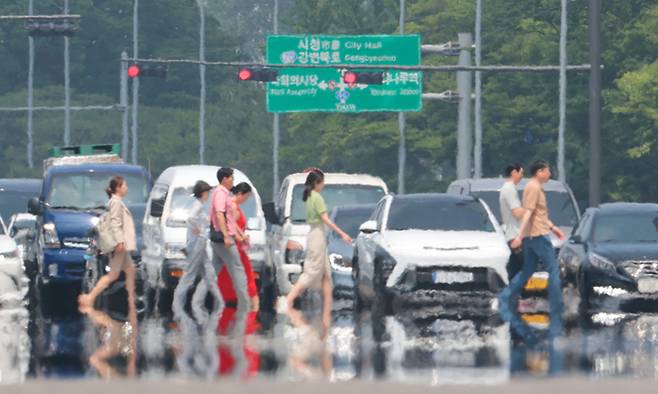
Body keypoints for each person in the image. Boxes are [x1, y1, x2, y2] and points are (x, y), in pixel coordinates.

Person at [500, 160, 565, 336]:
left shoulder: (531, 187)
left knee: (527, 270)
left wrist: (553, 227)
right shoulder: (534, 188)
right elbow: (528, 213)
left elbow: (537, 213)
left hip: (533, 235)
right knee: (553, 269)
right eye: (548, 171)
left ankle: (506, 297)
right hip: (537, 235)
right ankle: (558, 304)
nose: (550, 174)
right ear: (540, 172)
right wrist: (520, 236)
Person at [285, 169, 352, 335]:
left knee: (325, 276)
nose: (324, 185)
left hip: (318, 235)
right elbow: (325, 219)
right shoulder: (316, 197)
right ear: (317, 183)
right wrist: (342, 233)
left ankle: (326, 313)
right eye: (322, 182)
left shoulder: (310, 197)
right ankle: (288, 300)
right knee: (312, 271)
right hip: (317, 236)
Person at [79, 176, 137, 314]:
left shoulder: (117, 202)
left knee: (130, 270)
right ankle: (90, 298)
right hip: (120, 245)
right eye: (124, 186)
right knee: (113, 275)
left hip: (122, 245)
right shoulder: (116, 202)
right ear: (118, 188)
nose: (126, 188)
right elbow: (115, 223)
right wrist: (119, 242)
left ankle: (131, 300)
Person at [172, 180, 222, 324]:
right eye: (207, 192)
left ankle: (219, 303)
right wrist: (199, 231)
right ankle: (177, 306)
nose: (208, 195)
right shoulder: (198, 206)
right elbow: (191, 218)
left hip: (200, 244)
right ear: (202, 193)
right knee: (189, 276)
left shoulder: (199, 206)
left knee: (209, 273)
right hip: (196, 245)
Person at [209, 168, 250, 332]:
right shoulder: (220, 194)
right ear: (224, 179)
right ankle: (244, 304)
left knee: (213, 270)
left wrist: (239, 235)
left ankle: (198, 297)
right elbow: (220, 215)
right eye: (231, 178)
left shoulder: (224, 194)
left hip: (225, 238)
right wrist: (227, 236)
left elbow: (230, 219)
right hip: (224, 240)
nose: (233, 180)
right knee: (238, 269)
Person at [217, 182, 259, 311]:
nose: (246, 200)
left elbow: (233, 225)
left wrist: (241, 236)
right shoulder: (233, 206)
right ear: (240, 194)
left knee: (231, 277)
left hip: (236, 246)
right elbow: (231, 225)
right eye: (246, 197)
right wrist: (240, 237)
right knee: (247, 277)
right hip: (237, 248)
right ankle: (253, 307)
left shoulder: (232, 204)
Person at [499, 163, 525, 281]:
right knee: (524, 264)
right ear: (514, 172)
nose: (522, 176)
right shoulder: (509, 189)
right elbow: (517, 213)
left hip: (514, 234)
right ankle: (514, 294)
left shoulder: (509, 188)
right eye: (521, 173)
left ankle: (510, 294)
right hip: (514, 235)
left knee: (515, 267)